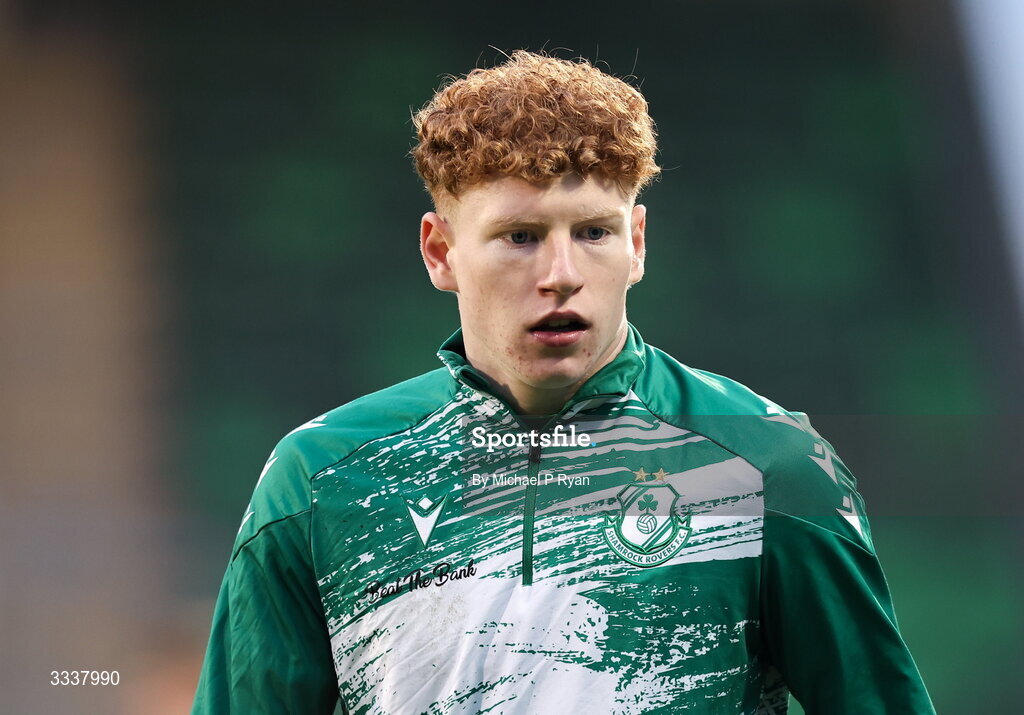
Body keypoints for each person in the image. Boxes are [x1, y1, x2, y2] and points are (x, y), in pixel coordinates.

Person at [191, 50, 935, 714]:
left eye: (593, 232)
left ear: (636, 244)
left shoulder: (768, 462)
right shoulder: (318, 481)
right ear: (440, 250)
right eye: (520, 236)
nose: (561, 275)